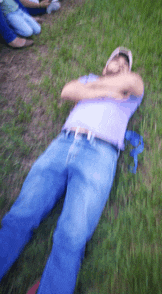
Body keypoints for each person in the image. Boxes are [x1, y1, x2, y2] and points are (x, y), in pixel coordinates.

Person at [0, 47, 144, 294]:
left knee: (71, 238)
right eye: (115, 60)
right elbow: (68, 91)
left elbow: (134, 81)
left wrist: (91, 93)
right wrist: (107, 89)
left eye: (125, 63)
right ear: (104, 65)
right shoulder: (89, 78)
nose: (120, 65)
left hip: (100, 154)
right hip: (62, 144)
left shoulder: (130, 89)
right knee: (19, 217)